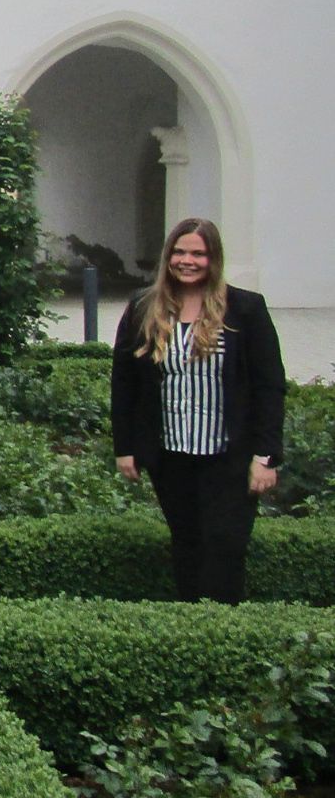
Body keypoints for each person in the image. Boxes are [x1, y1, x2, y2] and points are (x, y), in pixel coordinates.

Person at [111, 217, 285, 604]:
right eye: (180, 251)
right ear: (168, 255)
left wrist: (266, 456)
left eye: (198, 253)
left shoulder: (246, 309)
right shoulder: (143, 307)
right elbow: (124, 383)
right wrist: (125, 447)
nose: (187, 260)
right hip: (171, 455)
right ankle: (192, 619)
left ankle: (223, 624)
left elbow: (269, 387)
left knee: (225, 544)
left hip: (230, 457)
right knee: (186, 541)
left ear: (213, 259)